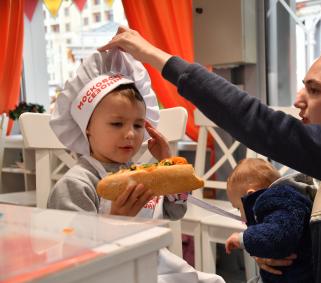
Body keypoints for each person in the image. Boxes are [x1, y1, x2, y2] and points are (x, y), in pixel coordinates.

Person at [99, 26, 321, 282]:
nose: (300, 99)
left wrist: (151, 54)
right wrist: (275, 247)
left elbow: (259, 123)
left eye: (314, 90)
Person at [48, 49, 224, 283]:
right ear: (87, 127)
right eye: (117, 123)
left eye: (139, 125)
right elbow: (74, 256)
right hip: (108, 273)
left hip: (154, 264)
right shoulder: (77, 184)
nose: (130, 134)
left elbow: (175, 211)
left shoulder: (144, 174)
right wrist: (116, 221)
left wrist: (167, 166)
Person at [224, 158, 314, 283]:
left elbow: (279, 235)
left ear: (250, 196)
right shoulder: (280, 201)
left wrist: (242, 238)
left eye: (239, 208)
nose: (241, 215)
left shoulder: (278, 200)